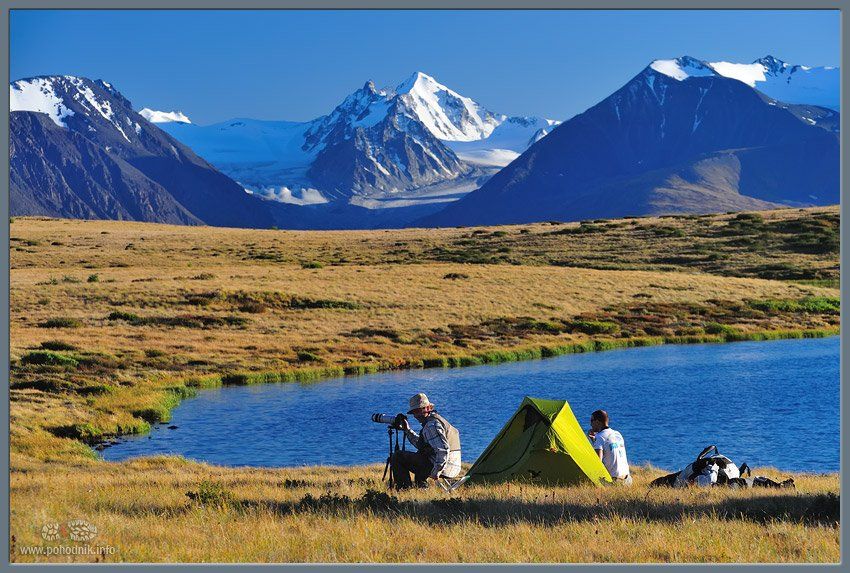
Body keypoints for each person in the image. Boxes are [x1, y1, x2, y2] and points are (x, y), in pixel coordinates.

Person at [391, 393, 461, 490]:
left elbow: (443, 450)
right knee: (421, 455)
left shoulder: (431, 426)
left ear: (428, 408)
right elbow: (422, 445)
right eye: (414, 412)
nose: (416, 415)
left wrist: (437, 470)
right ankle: (421, 487)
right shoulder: (436, 420)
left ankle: (404, 490)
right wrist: (407, 430)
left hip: (444, 468)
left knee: (398, 456)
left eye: (418, 411)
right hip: (453, 467)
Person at [587, 409, 632, 485]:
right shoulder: (617, 434)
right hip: (628, 480)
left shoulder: (600, 437)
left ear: (597, 422)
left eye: (591, 421)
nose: (590, 424)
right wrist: (594, 441)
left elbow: (598, 462)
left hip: (615, 482)